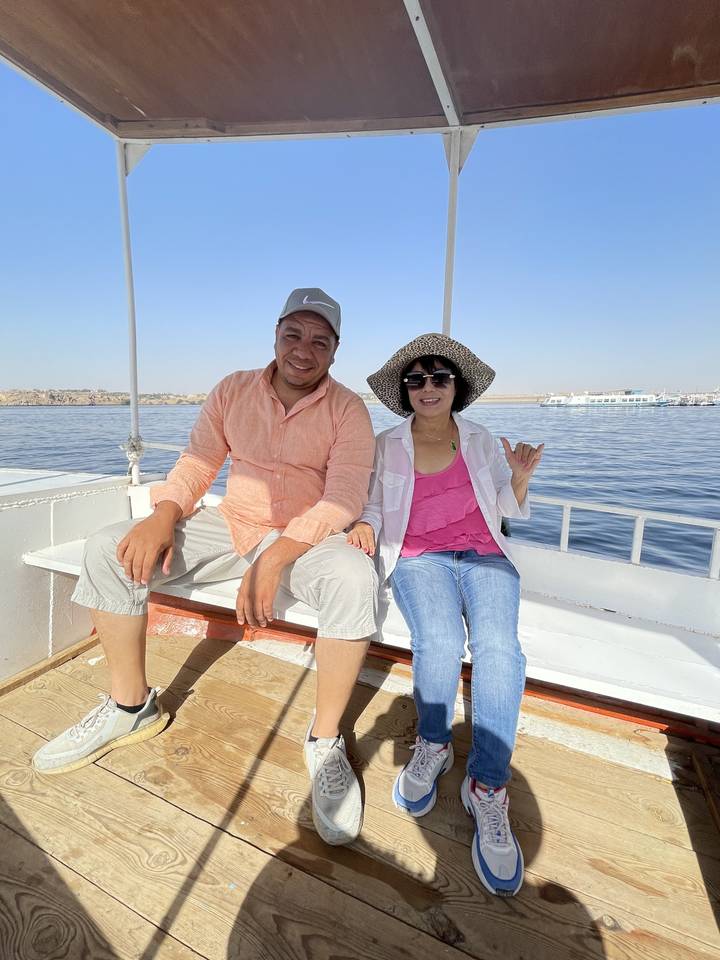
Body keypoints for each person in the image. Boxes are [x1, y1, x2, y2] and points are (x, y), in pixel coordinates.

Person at [33, 288, 378, 847]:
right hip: (234, 522)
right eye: (294, 334)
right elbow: (197, 462)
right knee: (107, 548)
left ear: (335, 351)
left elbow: (341, 499)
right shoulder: (233, 389)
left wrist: (275, 558)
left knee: (354, 577)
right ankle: (130, 706)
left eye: (319, 340)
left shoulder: (348, 410)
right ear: (276, 335)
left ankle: (325, 740)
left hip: (304, 535)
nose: (303, 349)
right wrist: (162, 515)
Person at [347, 333, 544, 896]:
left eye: (439, 379)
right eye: (417, 380)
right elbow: (369, 504)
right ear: (404, 391)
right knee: (436, 640)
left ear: (456, 388)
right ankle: (432, 744)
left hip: (484, 555)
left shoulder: (481, 440)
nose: (428, 388)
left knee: (500, 649)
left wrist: (521, 476)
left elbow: (506, 509)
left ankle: (487, 785)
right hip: (418, 559)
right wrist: (362, 523)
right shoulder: (386, 445)